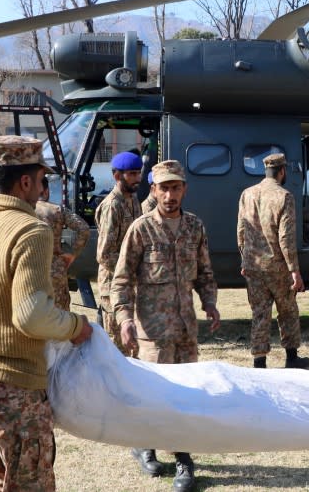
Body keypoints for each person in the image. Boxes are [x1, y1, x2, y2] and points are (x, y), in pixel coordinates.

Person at [0, 135, 92, 491]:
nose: (44, 189)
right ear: (25, 181)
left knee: (2, 482)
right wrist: (77, 325)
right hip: (11, 389)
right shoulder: (31, 230)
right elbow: (32, 316)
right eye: (43, 180)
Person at [112, 160, 221, 492]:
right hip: (153, 332)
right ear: (154, 190)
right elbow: (121, 280)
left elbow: (204, 272)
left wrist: (210, 303)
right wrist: (124, 318)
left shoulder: (194, 227)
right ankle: (146, 444)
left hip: (186, 328)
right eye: (164, 188)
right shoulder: (141, 229)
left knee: (185, 395)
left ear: (184, 189)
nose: (170, 194)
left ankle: (184, 460)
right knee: (154, 396)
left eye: (176, 187)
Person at [238, 153, 309, 368]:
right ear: (282, 171)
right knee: (288, 310)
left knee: (259, 312)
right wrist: (294, 271)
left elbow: (241, 230)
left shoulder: (247, 194)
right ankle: (291, 357)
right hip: (277, 266)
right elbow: (286, 238)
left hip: (253, 265)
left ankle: (259, 361)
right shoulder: (285, 196)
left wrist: (244, 259)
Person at [95, 151, 142, 352]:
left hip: (130, 285)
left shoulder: (133, 200)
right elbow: (104, 254)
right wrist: (129, 270)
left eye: (138, 173)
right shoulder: (113, 206)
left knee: (134, 346)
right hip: (113, 286)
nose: (137, 178)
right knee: (116, 350)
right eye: (132, 174)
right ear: (117, 176)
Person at [35, 176, 91, 310]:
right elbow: (83, 228)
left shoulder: (21, 211)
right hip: (55, 269)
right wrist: (72, 253)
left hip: (30, 271)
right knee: (60, 315)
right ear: (46, 191)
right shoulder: (57, 210)